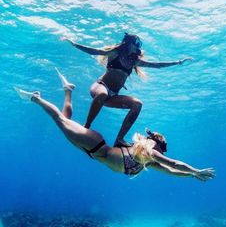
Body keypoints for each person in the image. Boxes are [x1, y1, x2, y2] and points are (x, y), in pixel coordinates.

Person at [15, 69, 215, 181]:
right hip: (95, 145)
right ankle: (36, 98)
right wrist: (196, 170)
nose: (160, 152)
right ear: (156, 144)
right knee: (60, 120)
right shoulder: (150, 153)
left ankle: (68, 90)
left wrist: (190, 176)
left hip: (92, 151)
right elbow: (172, 163)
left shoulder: (149, 161)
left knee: (63, 121)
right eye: (160, 148)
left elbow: (172, 171)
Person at [62, 33, 192, 147]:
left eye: (139, 45)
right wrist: (74, 44)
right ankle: (87, 127)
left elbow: (156, 65)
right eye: (136, 44)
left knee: (137, 104)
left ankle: (119, 139)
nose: (138, 47)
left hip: (112, 96)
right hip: (99, 87)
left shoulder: (134, 62)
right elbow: (94, 51)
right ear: (128, 43)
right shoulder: (115, 53)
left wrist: (178, 62)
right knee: (102, 94)